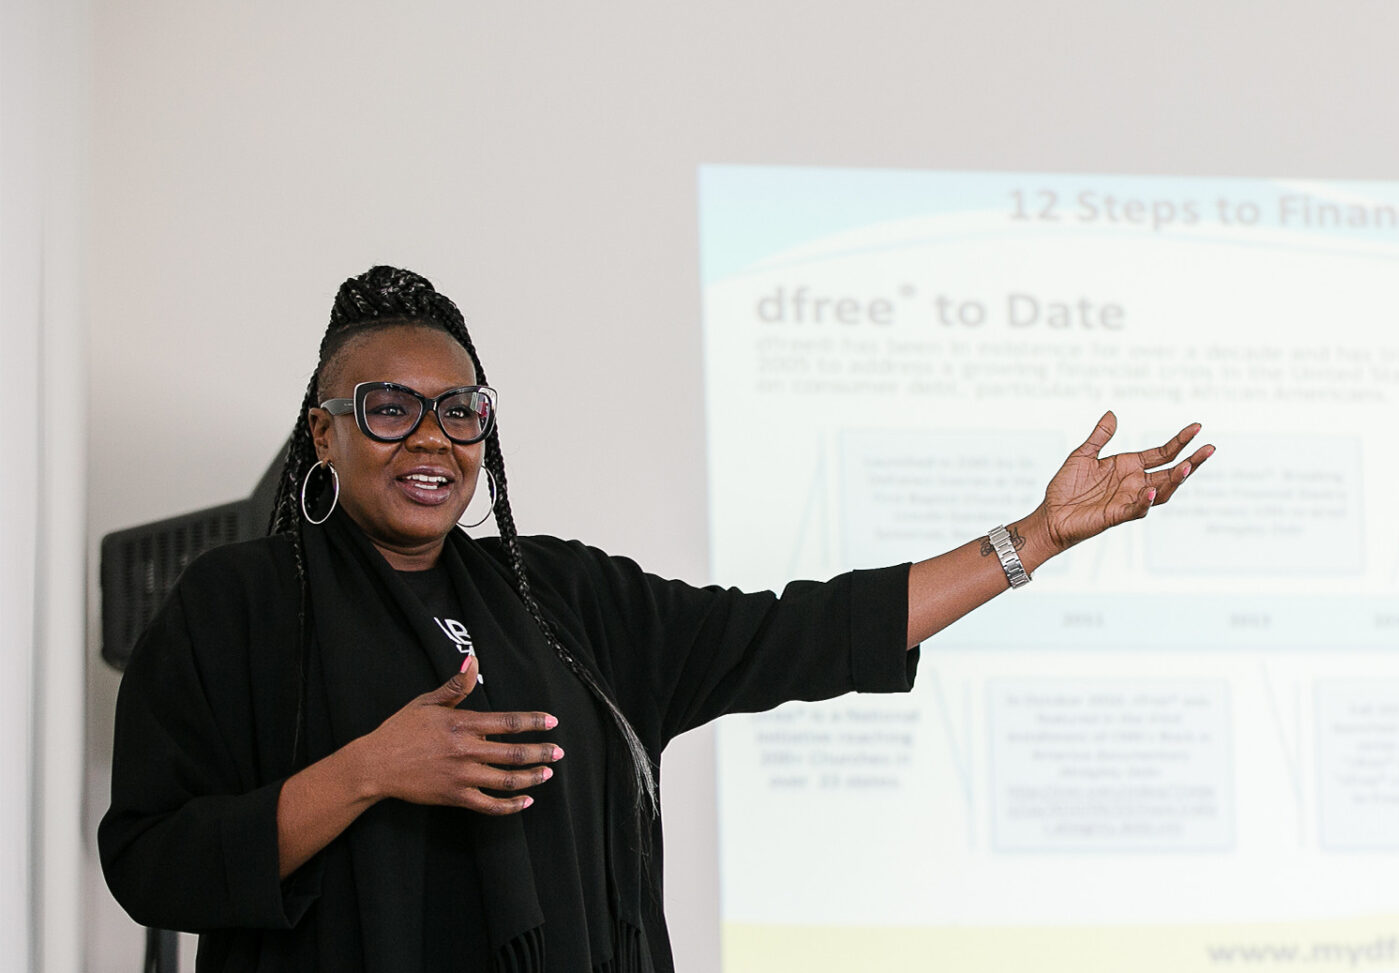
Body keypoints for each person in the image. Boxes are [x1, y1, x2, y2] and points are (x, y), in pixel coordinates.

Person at [99, 266, 1215, 973]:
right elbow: (151, 862)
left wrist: (1034, 537)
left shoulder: (565, 600)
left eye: (460, 410)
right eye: (389, 408)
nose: (432, 438)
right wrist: (371, 770)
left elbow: (800, 631)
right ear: (324, 431)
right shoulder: (235, 605)